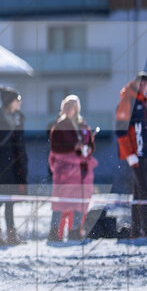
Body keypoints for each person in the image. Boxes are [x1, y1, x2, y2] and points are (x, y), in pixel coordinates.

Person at [48, 95, 97, 241]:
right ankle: (55, 232)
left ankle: (75, 231)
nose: (70, 109)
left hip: (81, 172)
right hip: (65, 172)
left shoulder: (83, 125)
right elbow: (55, 148)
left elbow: (91, 145)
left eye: (73, 106)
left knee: (79, 203)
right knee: (59, 204)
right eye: (68, 106)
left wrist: (87, 147)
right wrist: (73, 147)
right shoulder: (59, 126)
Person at [116, 72, 147, 238]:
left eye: (146, 84)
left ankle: (136, 229)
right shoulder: (128, 100)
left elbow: (146, 132)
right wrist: (129, 154)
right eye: (141, 83)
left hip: (145, 153)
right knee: (144, 190)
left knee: (139, 191)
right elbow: (120, 130)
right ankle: (145, 229)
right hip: (135, 155)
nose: (143, 86)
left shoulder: (143, 102)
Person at [0, 86, 27, 245]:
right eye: (17, 100)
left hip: (13, 166)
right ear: (9, 102)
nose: (19, 103)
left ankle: (11, 234)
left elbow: (20, 143)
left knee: (10, 202)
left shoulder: (18, 118)